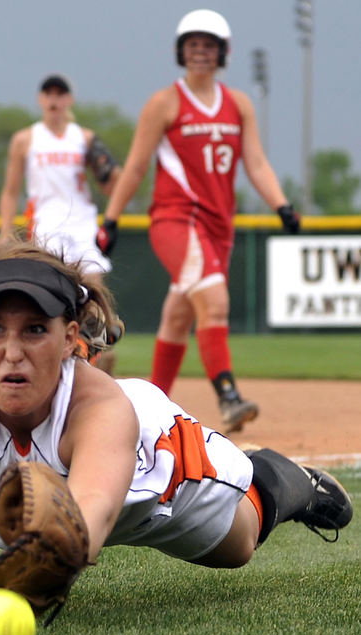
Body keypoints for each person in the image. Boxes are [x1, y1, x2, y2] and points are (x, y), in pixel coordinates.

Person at [0, 231, 351, 602]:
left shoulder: (103, 407)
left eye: (34, 330)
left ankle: (284, 477)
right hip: (69, 495)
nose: (11, 353)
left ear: (68, 336)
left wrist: (35, 574)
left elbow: (92, 512)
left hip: (153, 472)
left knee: (240, 543)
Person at [98, 9, 301, 433]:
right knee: (215, 300)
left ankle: (148, 406)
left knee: (178, 316)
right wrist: (112, 218)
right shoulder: (165, 102)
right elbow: (135, 167)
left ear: (222, 52)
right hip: (176, 220)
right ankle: (228, 395)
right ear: (180, 51)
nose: (201, 53)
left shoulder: (238, 103)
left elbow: (257, 162)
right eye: (193, 45)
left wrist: (281, 204)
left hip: (217, 227)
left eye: (209, 46)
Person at [0, 73, 123, 372]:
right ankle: (64, 355)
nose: (54, 99)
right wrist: (5, 231)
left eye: (60, 94)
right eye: (49, 94)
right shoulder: (26, 140)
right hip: (46, 222)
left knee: (93, 288)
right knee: (54, 290)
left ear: (69, 100)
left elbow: (112, 185)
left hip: (82, 222)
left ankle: (96, 351)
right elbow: (11, 190)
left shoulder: (85, 138)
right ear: (41, 100)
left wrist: (113, 176)